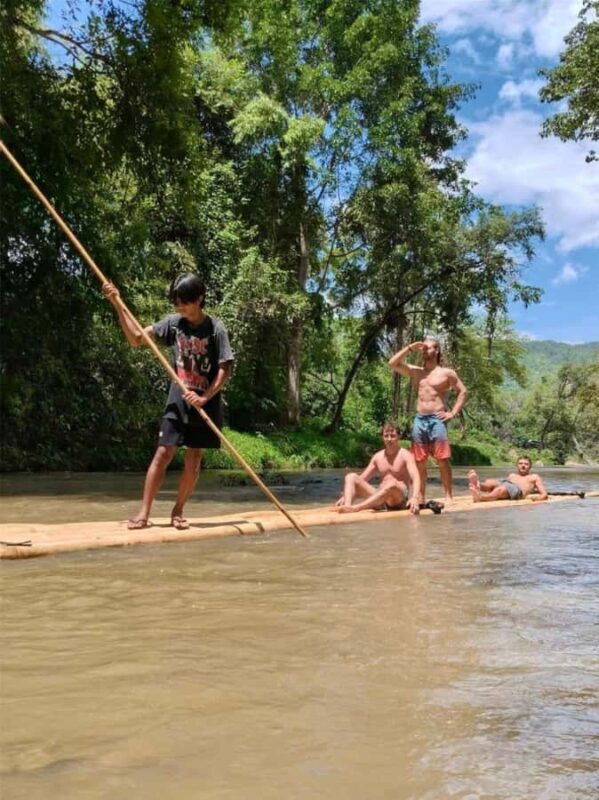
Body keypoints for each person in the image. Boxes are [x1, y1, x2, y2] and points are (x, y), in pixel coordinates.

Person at [102, 273, 234, 530]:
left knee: (194, 457)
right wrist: (117, 303)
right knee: (163, 452)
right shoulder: (173, 324)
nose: (179, 308)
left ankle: (178, 511)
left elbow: (224, 369)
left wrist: (205, 396)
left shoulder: (216, 329)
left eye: (184, 302)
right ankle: (143, 513)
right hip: (179, 397)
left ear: (199, 299)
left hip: (205, 402)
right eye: (176, 303)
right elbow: (136, 339)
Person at [389, 336, 467, 505]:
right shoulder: (416, 371)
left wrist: (452, 413)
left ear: (437, 350)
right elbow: (392, 363)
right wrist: (410, 347)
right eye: (423, 348)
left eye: (428, 347)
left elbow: (463, 392)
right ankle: (421, 495)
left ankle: (448, 495)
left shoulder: (447, 373)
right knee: (419, 460)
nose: (424, 350)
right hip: (419, 420)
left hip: (437, 419)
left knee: (442, 459)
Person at [334, 422, 421, 514]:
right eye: (386, 436)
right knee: (351, 476)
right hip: (380, 499)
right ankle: (348, 507)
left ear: (399, 437)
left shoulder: (405, 455)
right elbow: (362, 479)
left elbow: (416, 477)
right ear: (382, 437)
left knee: (391, 484)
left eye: (392, 436)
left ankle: (357, 508)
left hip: (398, 500)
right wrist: (346, 495)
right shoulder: (377, 457)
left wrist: (415, 497)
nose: (389, 439)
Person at [468, 456, 548, 503]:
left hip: (518, 490)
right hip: (507, 484)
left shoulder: (534, 477)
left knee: (500, 489)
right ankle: (477, 484)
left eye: (526, 464)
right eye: (520, 463)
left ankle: (481, 498)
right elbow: (505, 485)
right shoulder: (512, 475)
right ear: (517, 465)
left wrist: (535, 500)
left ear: (530, 466)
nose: (523, 466)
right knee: (491, 482)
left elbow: (544, 494)